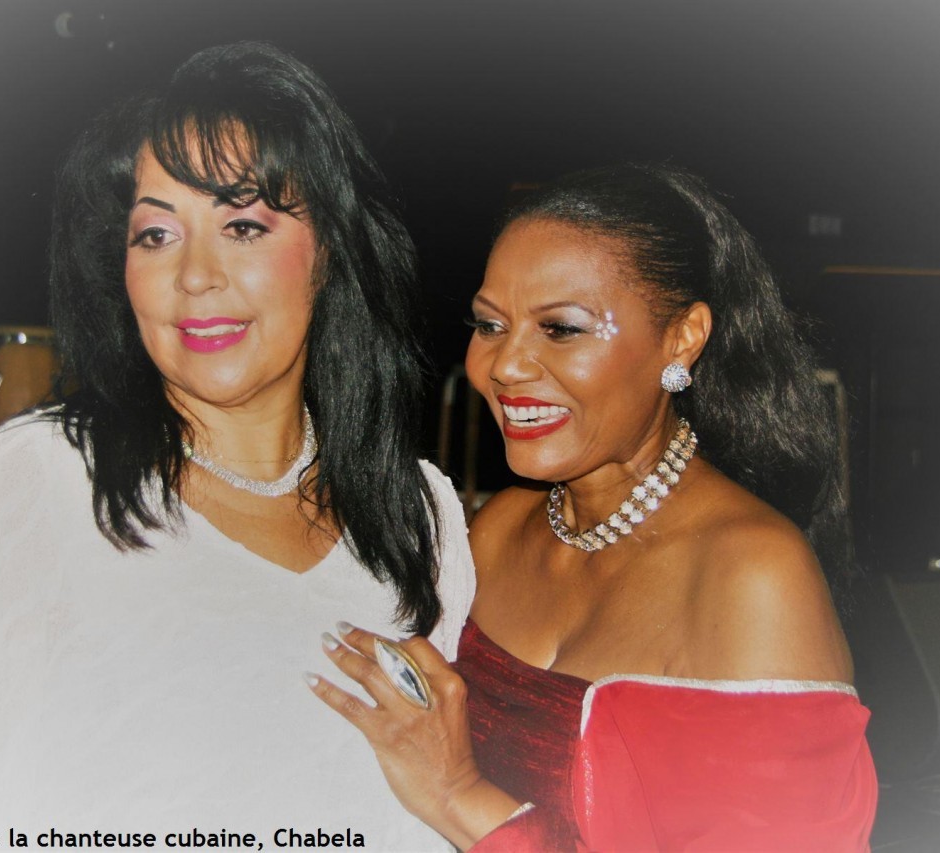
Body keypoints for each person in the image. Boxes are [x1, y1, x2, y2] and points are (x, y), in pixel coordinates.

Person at [0, 42, 473, 849]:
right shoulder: (29, 492)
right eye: (155, 234)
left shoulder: (420, 515)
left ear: (329, 252)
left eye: (243, 225)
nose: (196, 274)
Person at [311, 163, 877, 850]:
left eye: (561, 329)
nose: (505, 365)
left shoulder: (753, 576)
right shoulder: (498, 530)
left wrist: (458, 795)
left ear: (682, 339)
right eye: (490, 325)